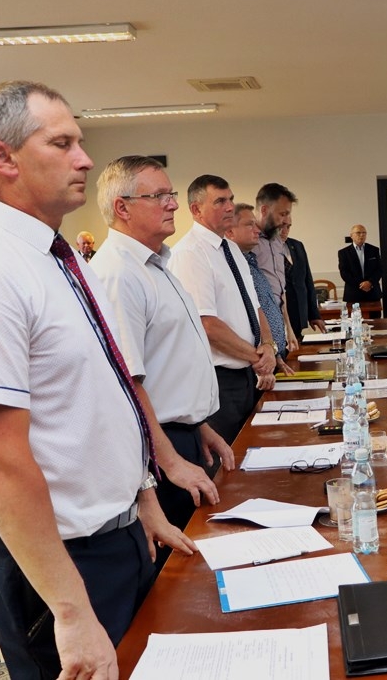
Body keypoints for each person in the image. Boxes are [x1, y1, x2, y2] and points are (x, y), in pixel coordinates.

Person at [0, 80, 195, 678]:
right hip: (56, 566)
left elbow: (104, 397)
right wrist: (70, 611)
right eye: (62, 143)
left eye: (80, 142)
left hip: (115, 537)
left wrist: (142, 499)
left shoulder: (59, 259)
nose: (86, 159)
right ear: (3, 157)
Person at [90, 155, 235, 530]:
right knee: (185, 559)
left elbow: (167, 362)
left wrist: (199, 426)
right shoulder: (119, 273)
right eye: (159, 196)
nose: (173, 204)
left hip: (181, 436)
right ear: (122, 208)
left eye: (171, 194)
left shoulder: (155, 265)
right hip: (159, 449)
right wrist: (170, 461)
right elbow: (127, 383)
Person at [169, 175, 278, 445]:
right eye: (220, 201)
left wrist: (267, 345)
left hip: (246, 375)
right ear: (196, 209)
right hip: (220, 381)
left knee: (252, 451)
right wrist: (258, 357)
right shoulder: (190, 253)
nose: (230, 207)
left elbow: (255, 306)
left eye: (230, 199)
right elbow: (206, 325)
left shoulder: (231, 249)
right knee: (227, 460)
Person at [230, 203, 294, 371]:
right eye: (250, 225)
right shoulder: (230, 268)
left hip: (271, 356)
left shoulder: (250, 262)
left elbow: (265, 306)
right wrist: (265, 357)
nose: (257, 230)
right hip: (254, 363)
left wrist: (275, 354)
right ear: (230, 231)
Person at [253, 183, 298, 355]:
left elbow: (281, 292)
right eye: (282, 214)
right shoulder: (248, 242)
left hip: (278, 326)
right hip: (259, 331)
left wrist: (289, 328)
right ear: (264, 210)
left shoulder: (277, 241)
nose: (286, 221)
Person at [280, 220, 327, 340]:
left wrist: (314, 315)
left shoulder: (297, 245)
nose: (284, 231)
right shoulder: (263, 249)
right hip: (280, 316)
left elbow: (308, 281)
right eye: (281, 227)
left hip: (298, 314)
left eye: (288, 227)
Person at [338, 224, 383, 303]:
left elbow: (379, 269)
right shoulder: (344, 253)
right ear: (351, 235)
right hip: (353, 294)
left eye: (364, 233)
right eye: (358, 233)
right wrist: (361, 285)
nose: (362, 235)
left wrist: (370, 283)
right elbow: (344, 273)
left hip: (372, 292)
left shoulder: (374, 250)